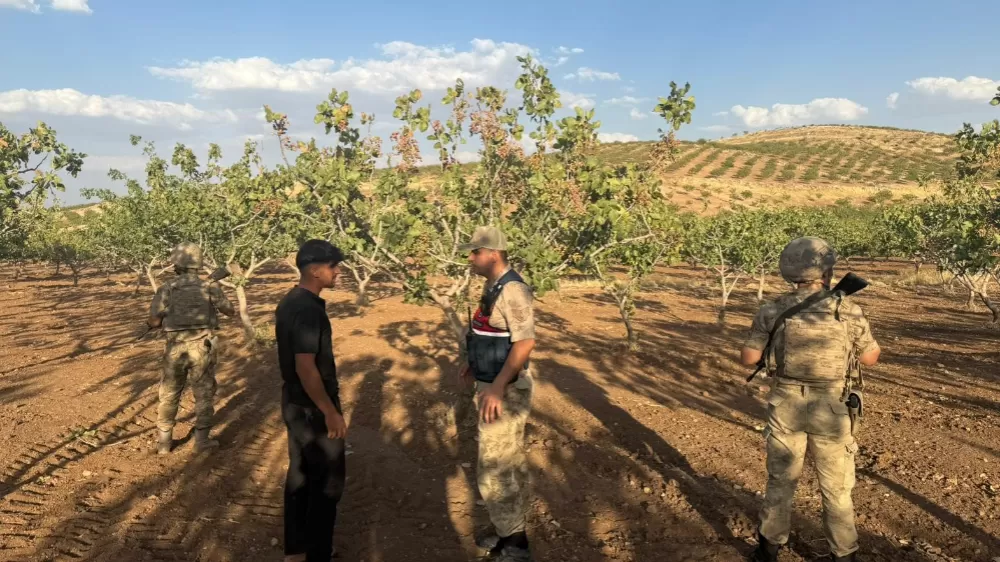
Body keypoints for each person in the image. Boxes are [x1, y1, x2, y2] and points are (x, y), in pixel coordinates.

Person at [740, 237, 881, 562]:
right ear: (828, 270)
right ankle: (844, 554)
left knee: (781, 482)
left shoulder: (773, 309)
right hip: (832, 408)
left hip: (786, 405)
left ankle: (768, 550)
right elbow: (871, 358)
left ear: (788, 271)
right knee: (837, 489)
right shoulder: (847, 309)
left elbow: (749, 358)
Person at [459, 226, 537, 562]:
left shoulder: (513, 290)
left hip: (504, 391)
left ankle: (515, 546)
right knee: (507, 461)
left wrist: (497, 387)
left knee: (494, 466)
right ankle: (509, 530)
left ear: (492, 253)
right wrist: (471, 363)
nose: (471, 258)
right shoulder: (493, 286)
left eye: (475, 252)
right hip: (492, 382)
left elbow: (524, 342)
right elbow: (487, 330)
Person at [275, 239, 348, 562]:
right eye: (334, 267)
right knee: (327, 482)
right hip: (311, 407)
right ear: (316, 271)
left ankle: (297, 549)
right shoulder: (307, 310)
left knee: (301, 473)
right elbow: (306, 367)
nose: (338, 272)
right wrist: (330, 412)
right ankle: (318, 553)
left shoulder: (291, 301)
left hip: (294, 402)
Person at [148, 242, 235, 455]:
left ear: (175, 263)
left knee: (169, 393)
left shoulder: (167, 288)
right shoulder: (210, 286)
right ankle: (202, 441)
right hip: (202, 348)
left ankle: (164, 443)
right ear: (198, 263)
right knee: (204, 394)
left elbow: (154, 321)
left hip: (175, 349)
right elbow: (230, 311)